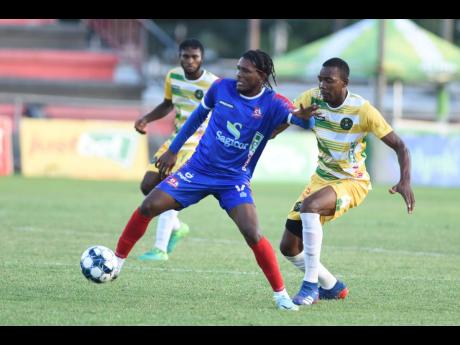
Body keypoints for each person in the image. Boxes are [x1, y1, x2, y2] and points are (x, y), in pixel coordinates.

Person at [112, 49, 315, 311]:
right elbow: (196, 118)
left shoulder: (274, 103)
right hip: (197, 170)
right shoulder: (221, 88)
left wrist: (304, 117)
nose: (238, 74)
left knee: (252, 233)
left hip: (234, 179)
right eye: (238, 68)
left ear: (261, 76)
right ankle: (116, 261)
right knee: (148, 206)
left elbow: (298, 120)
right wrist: (173, 150)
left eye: (245, 71)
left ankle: (280, 295)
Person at [279, 57, 415, 306]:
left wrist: (404, 180)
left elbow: (401, 147)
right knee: (289, 247)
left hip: (353, 182)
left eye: (328, 80)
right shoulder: (312, 98)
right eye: (320, 80)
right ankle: (332, 286)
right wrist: (296, 117)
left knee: (311, 207)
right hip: (321, 179)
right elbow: (284, 115)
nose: (322, 85)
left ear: (345, 83)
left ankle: (310, 287)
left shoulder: (363, 110)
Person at [134, 39, 218, 261]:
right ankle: (177, 227)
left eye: (195, 57)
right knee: (148, 186)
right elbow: (167, 104)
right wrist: (146, 119)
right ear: (179, 57)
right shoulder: (173, 76)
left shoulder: (213, 83)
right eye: (185, 56)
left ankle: (160, 249)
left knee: (170, 188)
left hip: (198, 143)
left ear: (202, 58)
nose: (190, 61)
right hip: (175, 140)